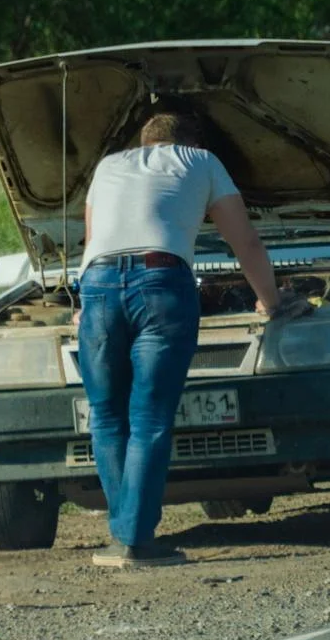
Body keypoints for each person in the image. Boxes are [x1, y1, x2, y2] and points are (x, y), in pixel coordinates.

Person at [75, 111, 302, 568]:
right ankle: (136, 540)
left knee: (105, 415)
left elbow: (93, 240)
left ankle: (125, 535)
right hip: (161, 284)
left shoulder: (107, 166)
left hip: (97, 285)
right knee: (150, 417)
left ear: (144, 143)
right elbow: (247, 243)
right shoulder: (201, 161)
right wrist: (271, 301)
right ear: (192, 140)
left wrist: (83, 304)